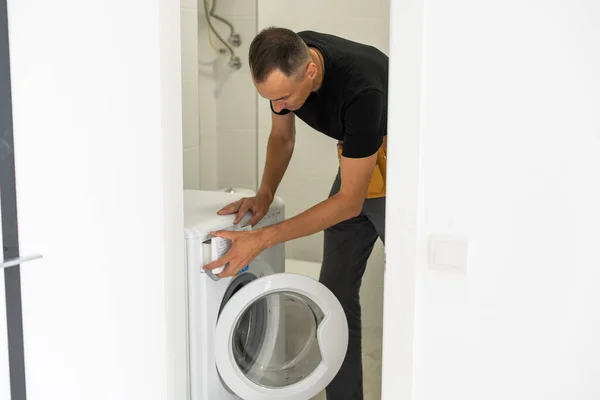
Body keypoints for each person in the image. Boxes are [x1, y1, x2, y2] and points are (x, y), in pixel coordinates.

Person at [203, 27, 388, 400]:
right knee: (333, 295)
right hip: (359, 162)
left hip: (406, 169)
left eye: (285, 97)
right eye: (271, 99)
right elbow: (282, 137)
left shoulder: (361, 91)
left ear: (310, 72)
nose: (282, 106)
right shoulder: (286, 54)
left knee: (418, 285)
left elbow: (349, 203)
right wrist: (264, 195)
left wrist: (261, 239)